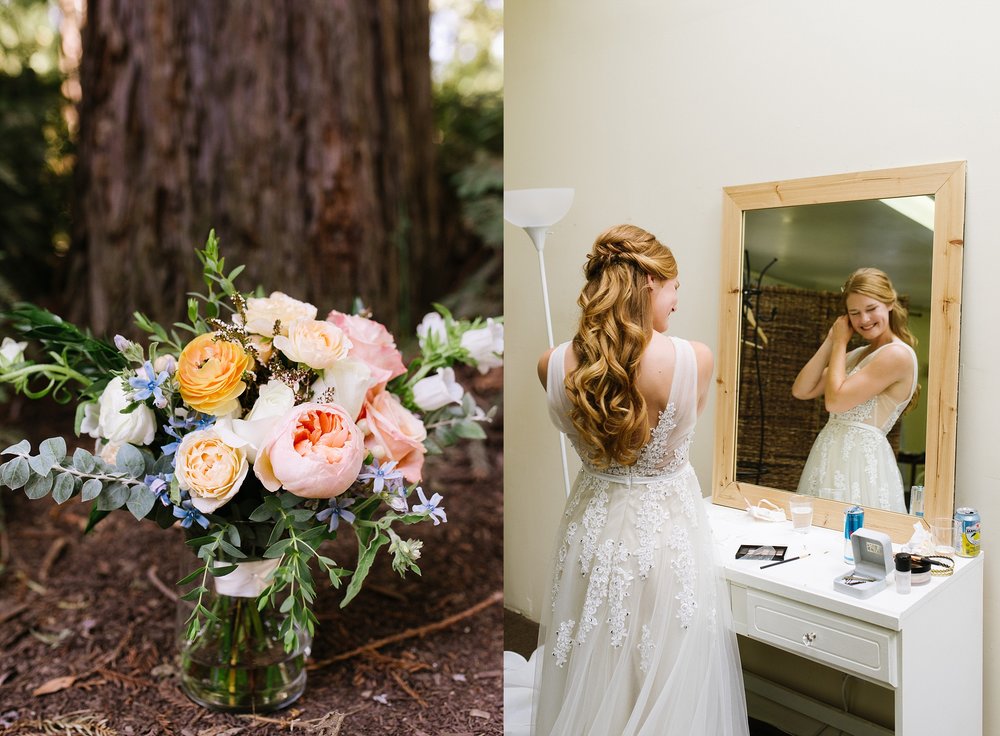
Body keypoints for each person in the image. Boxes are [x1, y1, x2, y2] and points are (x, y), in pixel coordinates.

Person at [531, 224, 749, 736]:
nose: (677, 299)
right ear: (650, 281)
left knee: (592, 649)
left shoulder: (553, 363)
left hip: (591, 527)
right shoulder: (692, 360)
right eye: (674, 286)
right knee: (663, 653)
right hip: (666, 532)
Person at [791, 267, 919, 511]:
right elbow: (802, 389)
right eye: (855, 313)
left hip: (862, 466)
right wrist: (831, 339)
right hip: (828, 458)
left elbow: (835, 402)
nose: (864, 320)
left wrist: (840, 342)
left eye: (871, 309)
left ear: (889, 303)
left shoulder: (896, 354)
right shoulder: (858, 355)